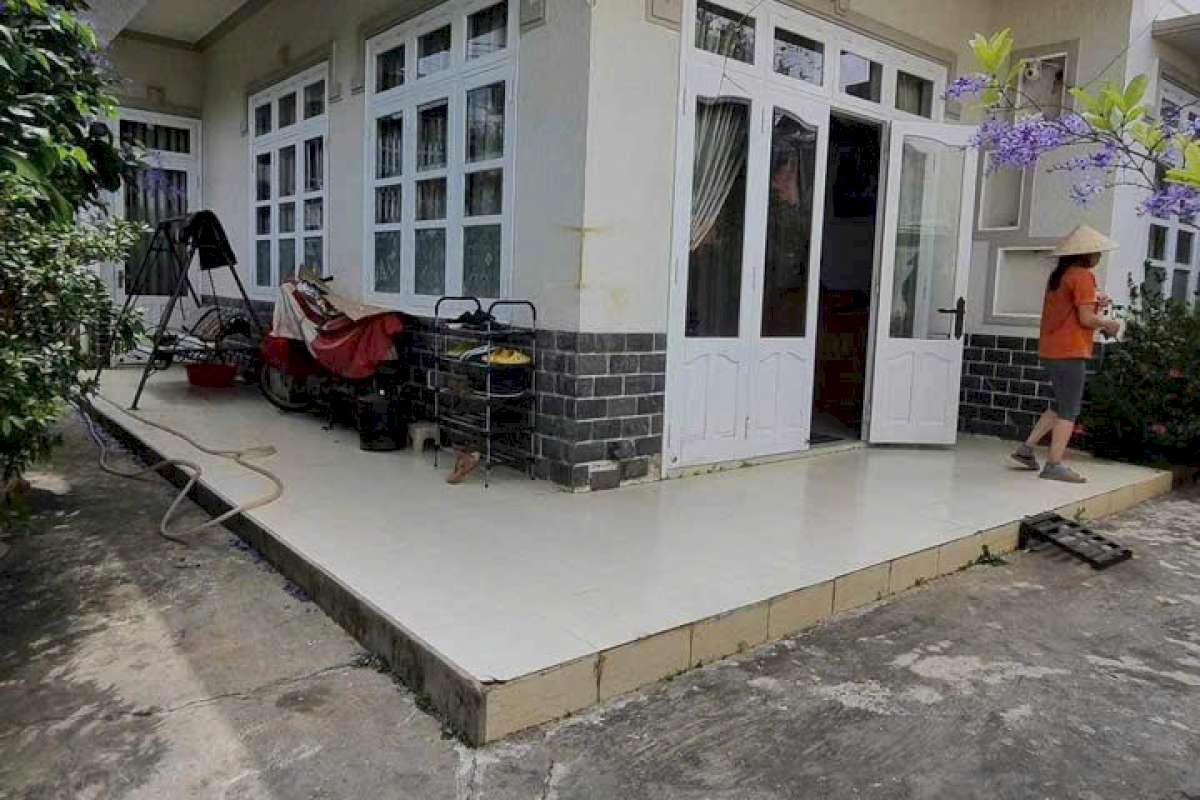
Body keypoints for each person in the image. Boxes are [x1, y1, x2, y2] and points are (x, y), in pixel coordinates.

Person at [1010, 225, 1121, 483]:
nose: (1099, 256)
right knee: (1069, 409)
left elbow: (1071, 311)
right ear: (1086, 254)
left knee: (1059, 404)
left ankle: (1026, 449)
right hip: (1070, 350)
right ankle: (1054, 464)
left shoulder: (1060, 276)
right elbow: (1085, 319)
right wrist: (1108, 324)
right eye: (1097, 252)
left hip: (1051, 349)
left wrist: (1095, 305)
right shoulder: (1083, 276)